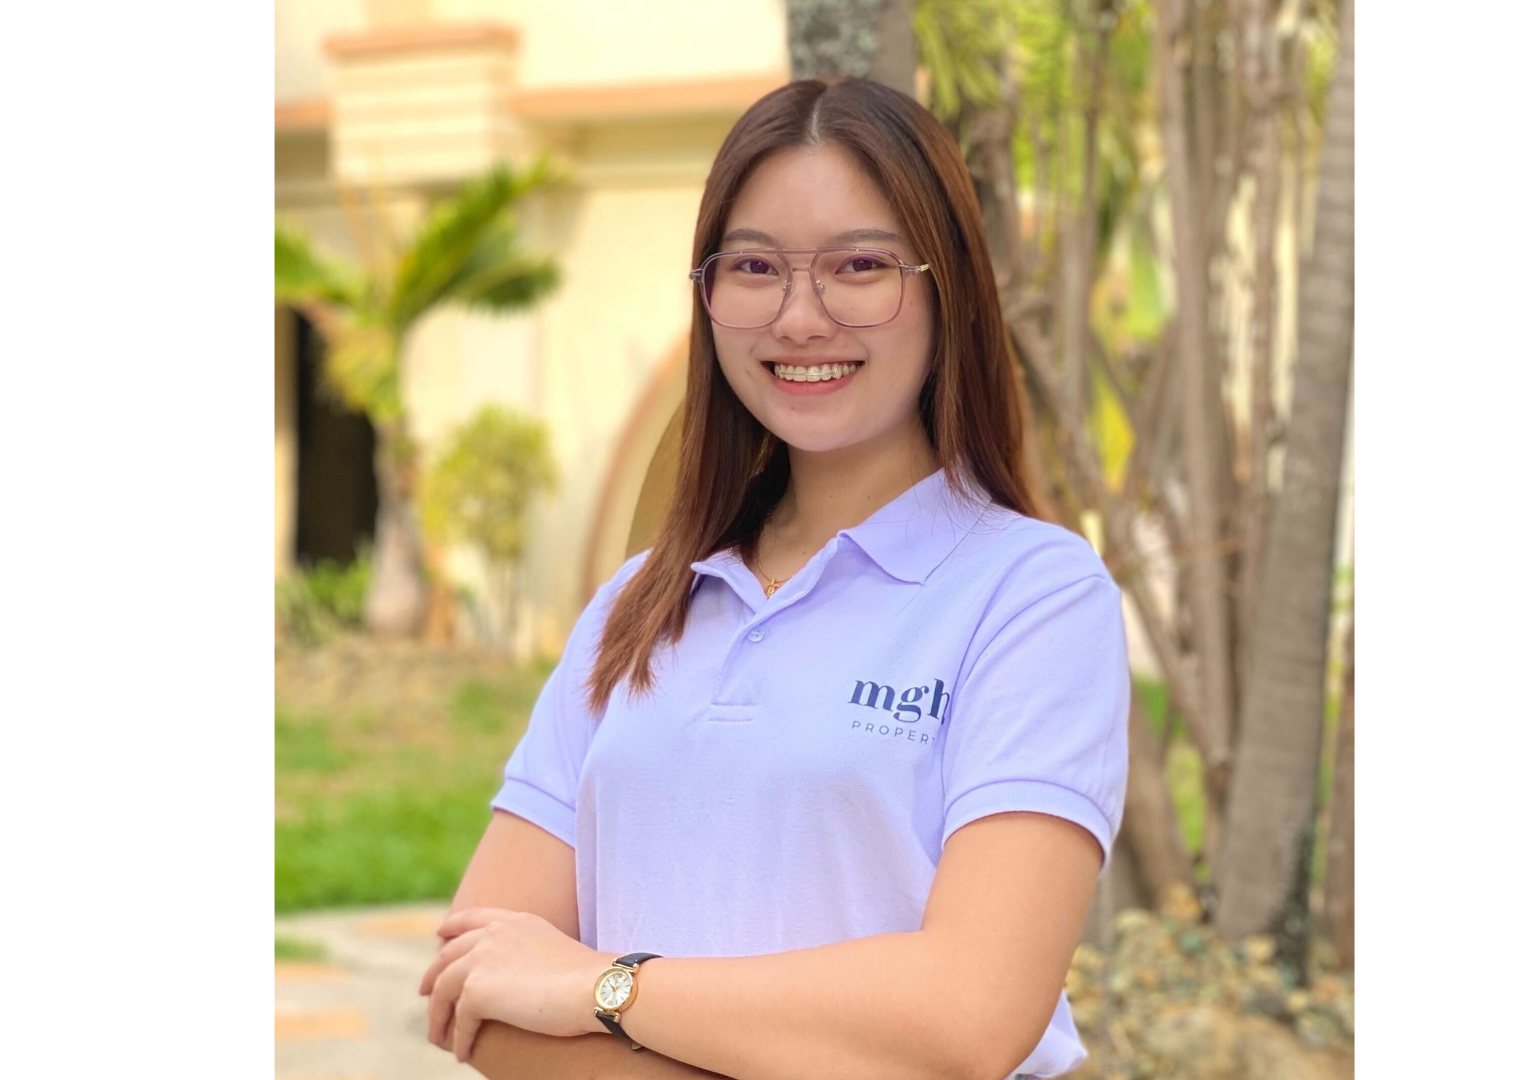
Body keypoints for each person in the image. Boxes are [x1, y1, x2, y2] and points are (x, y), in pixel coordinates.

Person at [419, 76, 1130, 1080]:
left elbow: (971, 1012)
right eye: (755, 266)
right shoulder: (638, 604)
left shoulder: (1032, 595)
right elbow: (477, 991)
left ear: (950, 292)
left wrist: (601, 988)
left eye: (860, 266)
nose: (800, 317)